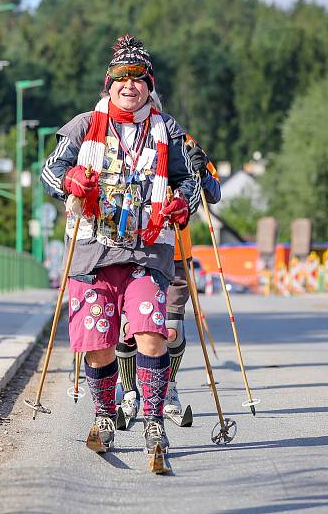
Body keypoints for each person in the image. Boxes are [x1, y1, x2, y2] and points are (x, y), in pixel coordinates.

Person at [41, 35, 200, 456]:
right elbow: (49, 171)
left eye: (139, 79)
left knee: (151, 332)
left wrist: (182, 202)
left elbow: (190, 180)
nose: (130, 86)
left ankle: (152, 420)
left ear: (149, 85)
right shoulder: (83, 126)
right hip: (93, 250)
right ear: (108, 85)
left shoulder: (167, 129)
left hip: (148, 249)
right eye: (121, 79)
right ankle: (105, 415)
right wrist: (70, 181)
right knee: (98, 342)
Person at [117, 131, 221, 424]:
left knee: (172, 330)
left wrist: (201, 170)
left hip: (176, 254)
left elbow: (213, 194)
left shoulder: (183, 142)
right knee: (129, 330)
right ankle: (129, 394)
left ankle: (168, 391)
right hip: (134, 251)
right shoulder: (121, 137)